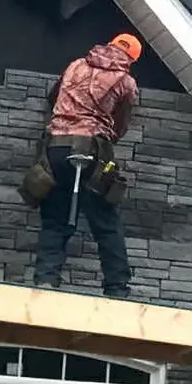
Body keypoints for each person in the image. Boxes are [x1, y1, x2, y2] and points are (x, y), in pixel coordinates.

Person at [33, 32, 141, 295]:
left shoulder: (75, 65)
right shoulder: (125, 82)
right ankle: (117, 287)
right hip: (93, 150)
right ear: (131, 59)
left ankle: (46, 280)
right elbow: (120, 123)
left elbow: (53, 98)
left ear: (110, 45)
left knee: (55, 217)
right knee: (105, 219)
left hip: (56, 147)